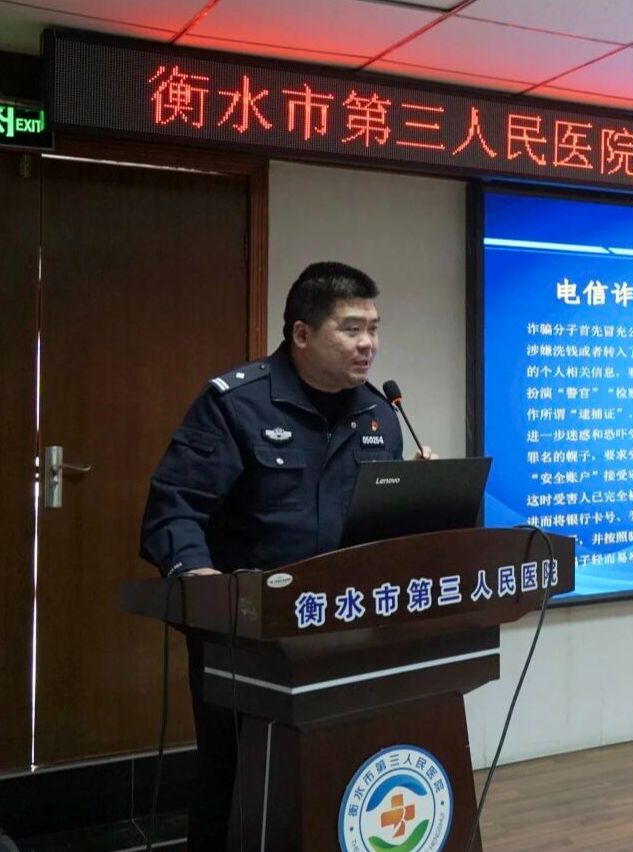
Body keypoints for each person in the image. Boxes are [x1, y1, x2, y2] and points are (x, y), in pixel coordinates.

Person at [139, 261, 430, 848]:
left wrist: (423, 500)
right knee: (234, 777)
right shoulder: (236, 404)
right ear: (302, 333)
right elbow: (174, 508)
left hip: (346, 627)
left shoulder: (379, 414)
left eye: (374, 328)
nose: (368, 343)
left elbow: (377, 528)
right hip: (247, 633)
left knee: (339, 771)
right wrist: (200, 578)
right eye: (351, 328)